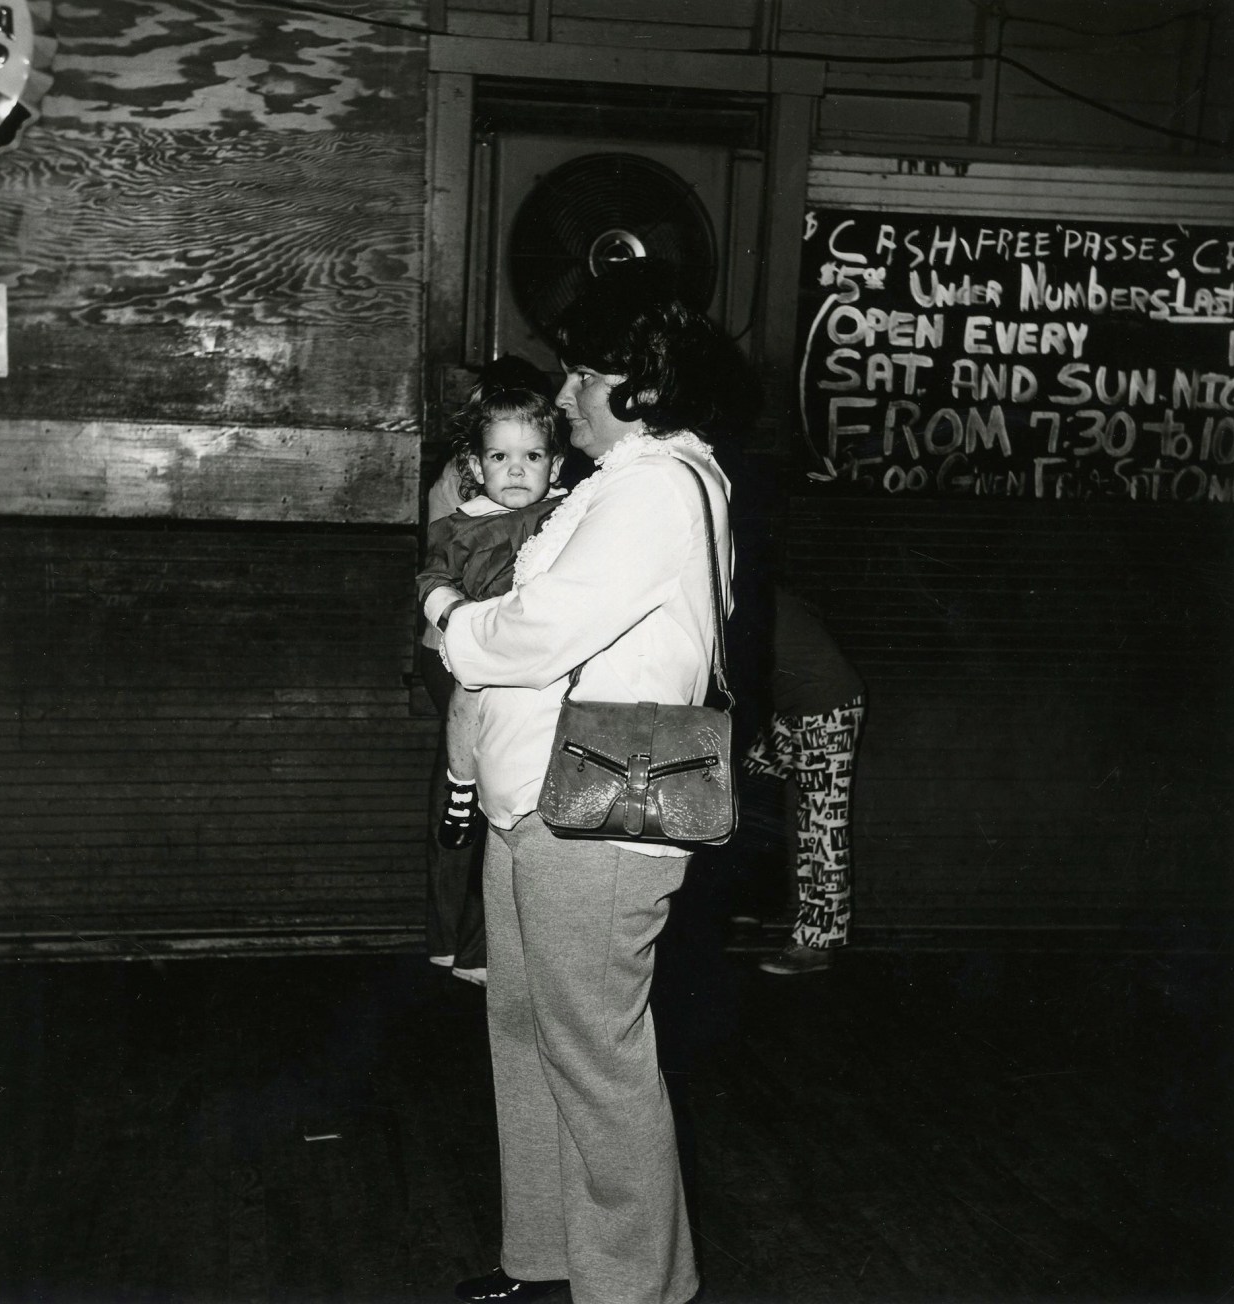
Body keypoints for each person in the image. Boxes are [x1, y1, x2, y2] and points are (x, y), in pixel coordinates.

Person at [434, 262, 756, 1304]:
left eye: (581, 375)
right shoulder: (632, 480)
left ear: (638, 384)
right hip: (544, 802)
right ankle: (548, 1257)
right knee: (529, 1036)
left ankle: (637, 1286)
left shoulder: (657, 486)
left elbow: (540, 629)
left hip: (600, 822)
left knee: (597, 1060)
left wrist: (449, 621)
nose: (564, 393)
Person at [416, 358, 567, 986]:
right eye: (499, 454)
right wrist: (455, 617)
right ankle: (459, 784)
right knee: (470, 734)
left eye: (531, 455)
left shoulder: (564, 508)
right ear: (477, 460)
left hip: (524, 656)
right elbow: (431, 574)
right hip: (470, 650)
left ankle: (474, 944)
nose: (515, 468)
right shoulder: (464, 516)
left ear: (552, 461)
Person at [743, 585, 866, 975]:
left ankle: (818, 943)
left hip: (826, 708)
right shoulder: (748, 593)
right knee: (740, 785)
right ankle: (750, 902)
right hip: (793, 706)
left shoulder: (743, 598)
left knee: (821, 824)